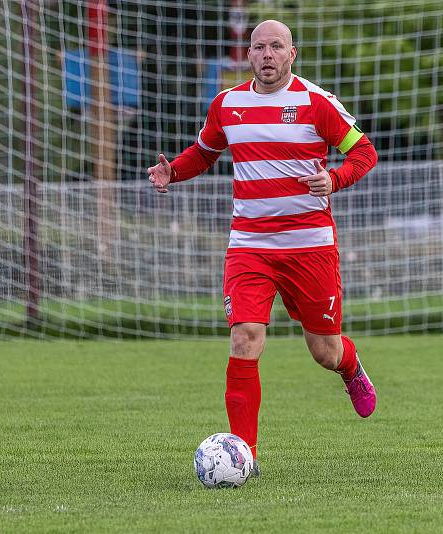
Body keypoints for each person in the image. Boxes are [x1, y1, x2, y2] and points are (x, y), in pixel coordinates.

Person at [147, 20, 378, 474]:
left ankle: (350, 369)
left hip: (309, 246)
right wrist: (174, 170)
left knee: (324, 351)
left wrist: (333, 178)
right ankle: (243, 455)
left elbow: (364, 153)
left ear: (293, 53)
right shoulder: (227, 104)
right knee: (244, 338)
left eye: (276, 46)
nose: (267, 54)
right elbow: (205, 153)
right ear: (248, 55)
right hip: (249, 245)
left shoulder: (318, 104)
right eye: (259, 47)